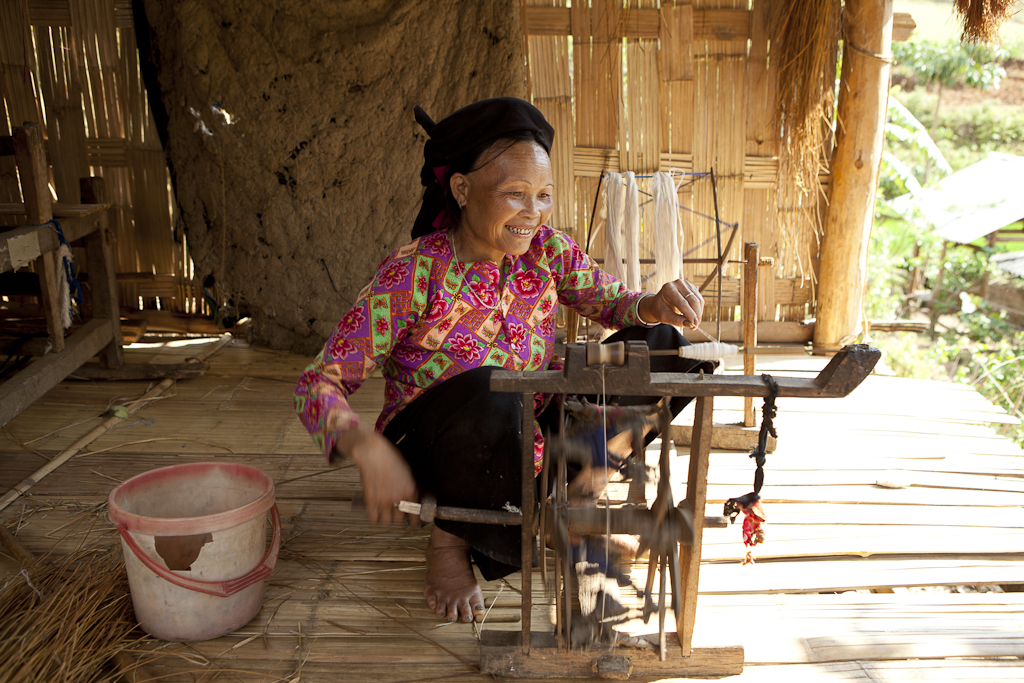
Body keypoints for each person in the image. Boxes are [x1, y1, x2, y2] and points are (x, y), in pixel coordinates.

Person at [294, 97, 707, 625]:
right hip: (438, 452)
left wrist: (652, 305)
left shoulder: (548, 252)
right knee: (494, 386)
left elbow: (615, 304)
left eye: (543, 196)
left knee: (663, 345)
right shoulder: (414, 272)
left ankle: (575, 500)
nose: (532, 213)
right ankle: (450, 541)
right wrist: (364, 450)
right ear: (462, 190)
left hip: (521, 440)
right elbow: (317, 383)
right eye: (515, 194)